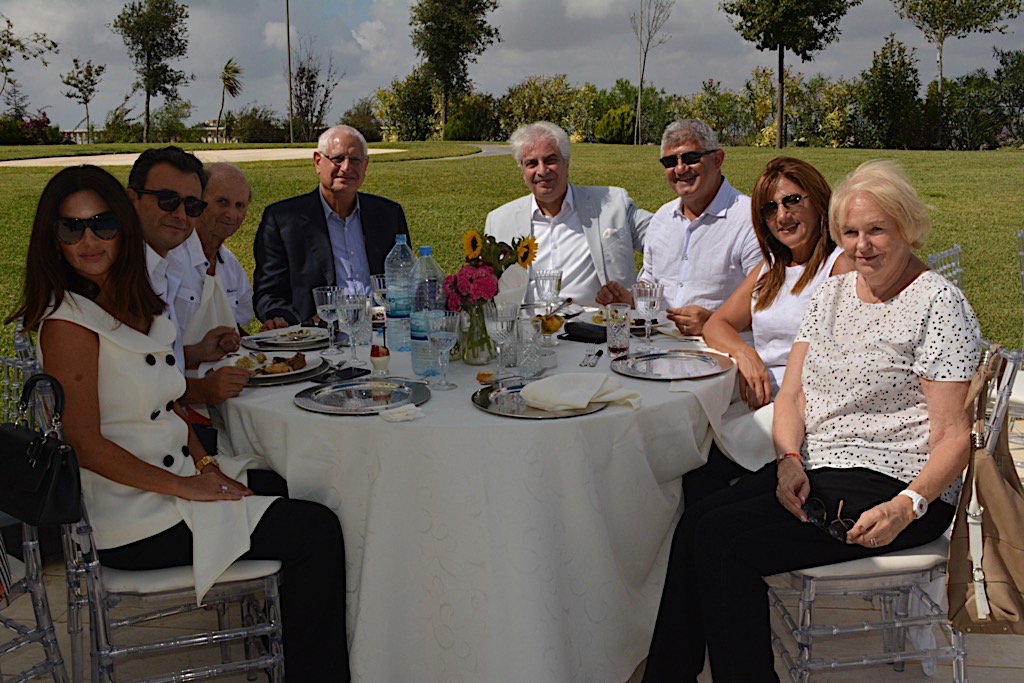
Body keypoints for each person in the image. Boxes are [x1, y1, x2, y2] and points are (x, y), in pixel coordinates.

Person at [641, 159, 980, 682]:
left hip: (897, 484)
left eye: (876, 230)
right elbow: (793, 396)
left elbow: (956, 437)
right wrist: (788, 459)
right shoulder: (833, 293)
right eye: (851, 232)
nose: (862, 245)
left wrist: (906, 506)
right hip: (820, 465)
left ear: (907, 227)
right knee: (696, 524)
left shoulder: (939, 303)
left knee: (727, 545)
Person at [8, 165, 349, 681]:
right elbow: (84, 442)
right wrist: (189, 487)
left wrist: (208, 466)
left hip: (172, 481)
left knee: (295, 486)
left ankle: (283, 642)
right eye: (71, 228)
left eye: (102, 224)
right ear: (53, 240)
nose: (89, 240)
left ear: (122, 227)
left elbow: (165, 405)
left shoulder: (132, 302)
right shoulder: (68, 323)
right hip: (133, 516)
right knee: (316, 532)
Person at [687, 158, 853, 503]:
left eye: (793, 200)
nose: (782, 215)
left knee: (699, 477)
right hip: (759, 400)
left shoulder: (838, 267)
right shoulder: (772, 269)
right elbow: (718, 324)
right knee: (685, 455)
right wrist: (745, 353)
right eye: (770, 208)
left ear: (818, 200)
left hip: (801, 412)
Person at [597, 119, 760, 336]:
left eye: (691, 158)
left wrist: (714, 322)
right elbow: (650, 281)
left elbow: (771, 308)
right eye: (670, 161)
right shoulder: (662, 218)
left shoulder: (750, 220)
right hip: (657, 341)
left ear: (718, 159)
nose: (680, 168)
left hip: (720, 346)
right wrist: (628, 300)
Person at [253, 124, 410, 324]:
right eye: (337, 158)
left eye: (355, 160)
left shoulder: (388, 215)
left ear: (365, 165)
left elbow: (406, 281)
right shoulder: (282, 220)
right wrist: (300, 324)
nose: (346, 167)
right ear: (318, 162)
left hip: (382, 330)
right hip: (319, 335)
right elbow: (268, 295)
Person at [128, 146, 248, 407]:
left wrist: (198, 352)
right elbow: (127, 384)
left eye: (191, 206)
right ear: (132, 200)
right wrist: (200, 392)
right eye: (167, 200)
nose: (180, 215)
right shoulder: (123, 277)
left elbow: (157, 360)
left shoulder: (165, 269)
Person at [485, 121, 652, 307]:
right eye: (532, 163)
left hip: (595, 321)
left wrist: (642, 289)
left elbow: (666, 239)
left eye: (550, 160)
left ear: (566, 163)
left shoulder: (612, 204)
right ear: (523, 172)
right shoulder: (499, 221)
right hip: (526, 323)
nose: (542, 171)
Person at [173, 162, 288, 336]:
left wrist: (268, 337)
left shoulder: (230, 265)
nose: (231, 214)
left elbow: (234, 328)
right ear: (198, 201)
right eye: (222, 202)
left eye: (239, 205)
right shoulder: (172, 258)